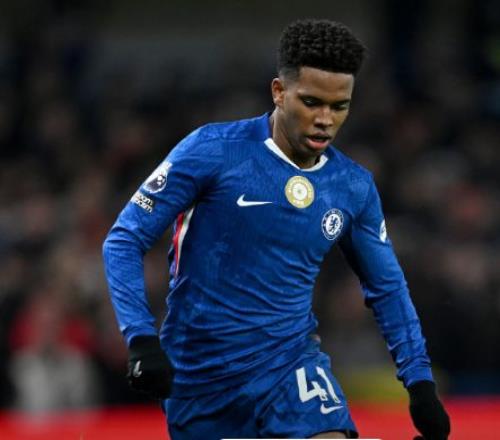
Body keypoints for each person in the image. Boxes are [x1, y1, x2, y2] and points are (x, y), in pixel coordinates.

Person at [103, 19, 450, 439]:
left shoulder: (352, 186)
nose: (325, 119)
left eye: (339, 106)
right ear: (279, 92)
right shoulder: (213, 151)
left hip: (291, 364)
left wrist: (419, 382)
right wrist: (141, 337)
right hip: (200, 373)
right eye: (311, 102)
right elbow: (124, 239)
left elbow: (387, 287)